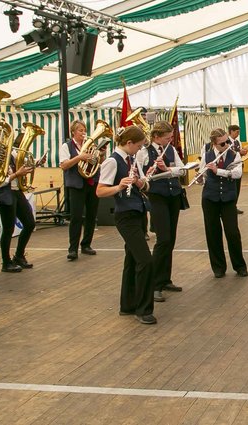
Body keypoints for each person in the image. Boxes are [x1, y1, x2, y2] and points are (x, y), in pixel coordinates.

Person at [97, 126, 156, 324]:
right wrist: (119, 186)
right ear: (129, 143)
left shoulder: (131, 160)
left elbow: (145, 185)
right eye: (138, 146)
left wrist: (139, 182)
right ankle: (143, 309)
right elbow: (100, 191)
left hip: (138, 212)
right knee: (145, 261)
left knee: (131, 259)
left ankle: (127, 305)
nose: (139, 150)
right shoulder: (112, 161)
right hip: (125, 215)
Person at [137, 121, 186, 301]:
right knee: (163, 239)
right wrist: (150, 173)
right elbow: (140, 176)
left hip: (173, 196)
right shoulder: (144, 152)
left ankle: (165, 279)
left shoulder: (170, 149)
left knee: (170, 239)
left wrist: (168, 169)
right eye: (167, 137)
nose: (170, 140)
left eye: (171, 137)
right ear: (156, 137)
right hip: (157, 197)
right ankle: (154, 284)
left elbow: (181, 170)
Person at [200, 128, 248, 278]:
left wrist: (218, 171)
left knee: (232, 232)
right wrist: (199, 177)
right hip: (210, 198)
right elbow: (203, 176)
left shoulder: (234, 155)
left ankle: (239, 266)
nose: (226, 145)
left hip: (228, 198)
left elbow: (237, 174)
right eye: (222, 143)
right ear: (214, 144)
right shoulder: (207, 155)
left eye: (227, 141)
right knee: (213, 233)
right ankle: (218, 267)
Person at [59, 120, 101, 261]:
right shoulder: (66, 146)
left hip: (91, 182)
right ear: (73, 132)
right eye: (80, 130)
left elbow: (96, 163)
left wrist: (99, 155)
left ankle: (86, 244)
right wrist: (79, 157)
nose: (83, 133)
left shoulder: (90, 146)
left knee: (91, 215)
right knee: (76, 217)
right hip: (76, 185)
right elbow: (64, 165)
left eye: (84, 130)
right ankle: (73, 249)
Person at [0, 151, 37, 273]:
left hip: (16, 191)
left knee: (30, 223)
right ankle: (6, 262)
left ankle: (19, 255)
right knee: (8, 229)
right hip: (5, 193)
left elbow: (22, 165)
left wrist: (35, 163)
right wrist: (17, 174)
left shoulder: (13, 153)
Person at [227, 124, 247, 214]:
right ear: (231, 131)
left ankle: (234, 206)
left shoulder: (238, 142)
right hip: (230, 169)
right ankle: (229, 207)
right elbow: (228, 153)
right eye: (237, 132)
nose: (238, 134)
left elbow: (239, 153)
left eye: (239, 132)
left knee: (237, 188)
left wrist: (244, 152)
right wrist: (239, 152)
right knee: (231, 188)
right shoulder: (226, 142)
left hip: (238, 167)